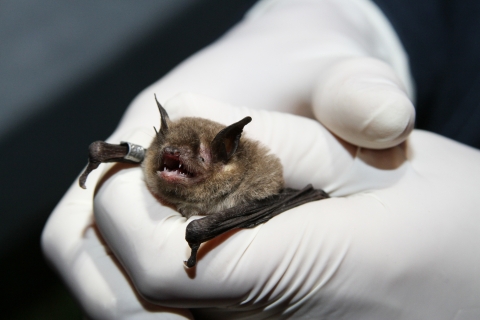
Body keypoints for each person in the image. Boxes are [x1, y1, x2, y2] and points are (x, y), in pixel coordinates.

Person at [42, 0, 480, 319]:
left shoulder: (248, 181)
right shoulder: (159, 156)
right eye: (166, 150)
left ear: (227, 156)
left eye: (191, 156)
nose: (173, 159)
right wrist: (363, 19)